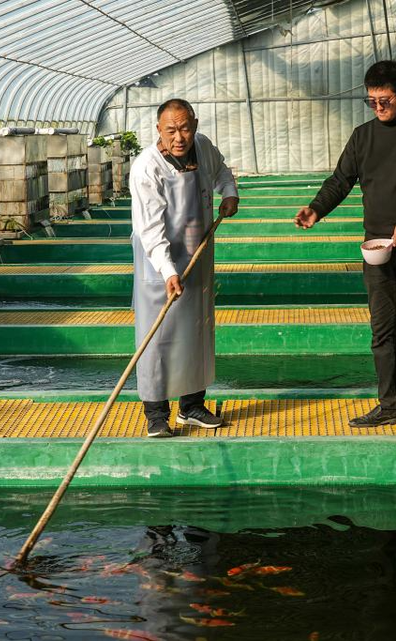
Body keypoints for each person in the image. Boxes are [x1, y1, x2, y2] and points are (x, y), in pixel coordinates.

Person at [295, 60, 396, 438]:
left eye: (385, 100)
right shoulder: (363, 136)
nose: (378, 108)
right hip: (377, 250)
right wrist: (317, 208)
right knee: (381, 332)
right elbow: (341, 180)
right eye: (371, 102)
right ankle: (389, 407)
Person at [130, 98, 239, 438]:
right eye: (171, 130)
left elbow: (221, 171)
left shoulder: (203, 147)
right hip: (159, 265)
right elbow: (150, 229)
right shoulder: (147, 168)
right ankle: (156, 414)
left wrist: (229, 193)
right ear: (158, 131)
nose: (179, 137)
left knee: (196, 332)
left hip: (198, 255)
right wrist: (168, 270)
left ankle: (191, 407)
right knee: (158, 338)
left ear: (195, 123)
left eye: (185, 128)